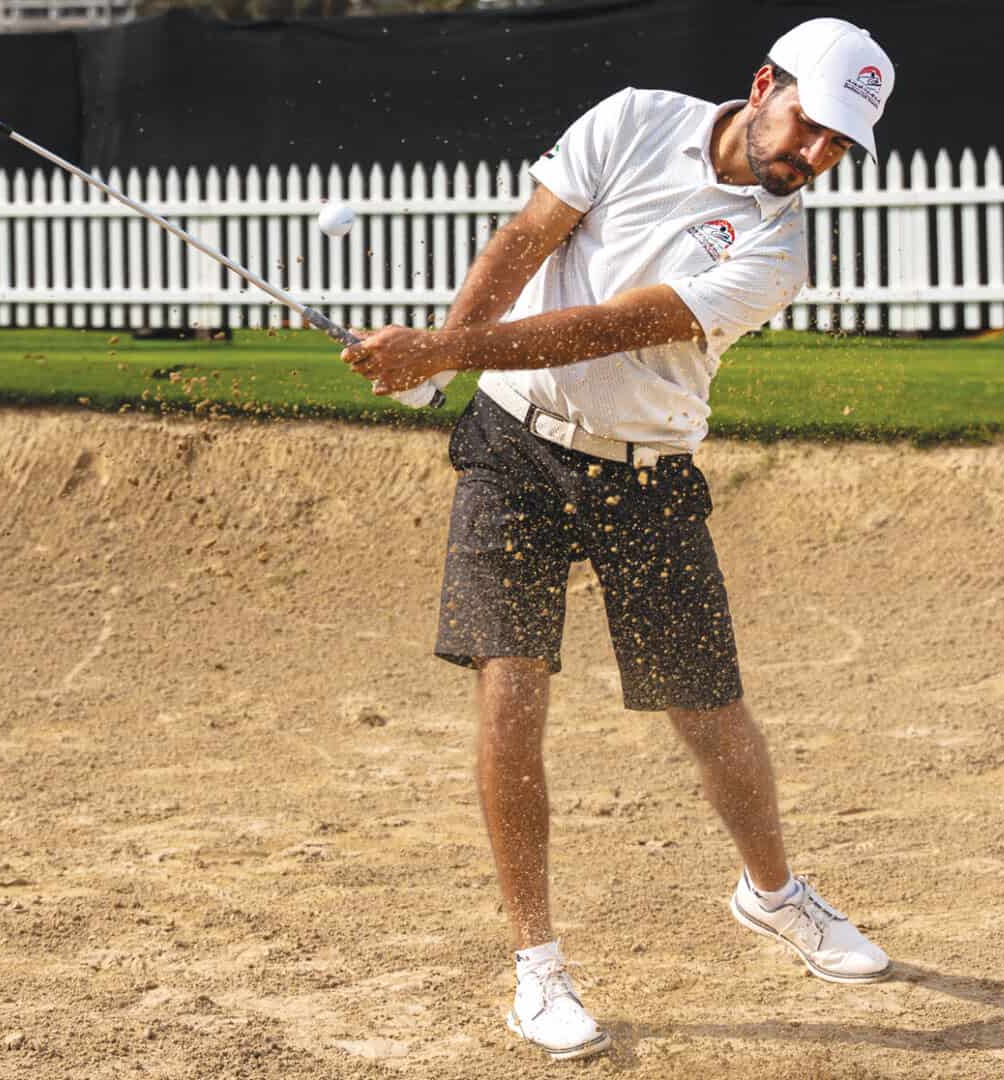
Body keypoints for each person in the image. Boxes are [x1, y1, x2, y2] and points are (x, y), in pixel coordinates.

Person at [341, 17, 898, 1063]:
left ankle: (773, 895)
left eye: (839, 145)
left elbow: (614, 326)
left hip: (647, 470)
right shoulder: (635, 120)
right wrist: (445, 359)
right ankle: (537, 968)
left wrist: (444, 346)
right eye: (810, 125)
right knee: (511, 690)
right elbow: (524, 240)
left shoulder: (777, 251)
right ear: (762, 86)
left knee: (708, 708)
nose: (816, 154)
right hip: (513, 449)